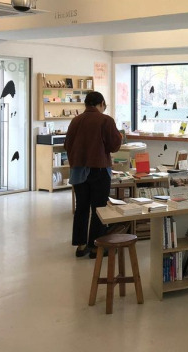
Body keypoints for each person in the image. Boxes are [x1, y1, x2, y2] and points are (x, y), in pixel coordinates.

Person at [65, 91, 123, 258]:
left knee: (81, 207)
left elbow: (68, 144)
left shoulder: (75, 120)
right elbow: (114, 146)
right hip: (99, 170)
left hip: (78, 171)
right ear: (102, 103)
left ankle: (81, 245)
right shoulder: (106, 120)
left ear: (86, 104)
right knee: (99, 209)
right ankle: (96, 246)